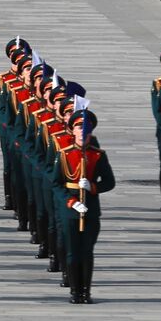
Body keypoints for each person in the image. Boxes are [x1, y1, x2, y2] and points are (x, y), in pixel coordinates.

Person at [54, 110, 115, 304]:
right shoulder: (63, 155)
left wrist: (93, 187)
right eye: (79, 129)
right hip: (70, 210)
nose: (82, 134)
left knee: (87, 251)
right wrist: (72, 202)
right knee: (72, 251)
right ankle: (75, 290)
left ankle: (86, 291)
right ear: (72, 131)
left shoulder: (98, 155)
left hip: (91, 208)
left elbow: (110, 182)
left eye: (86, 131)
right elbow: (56, 184)